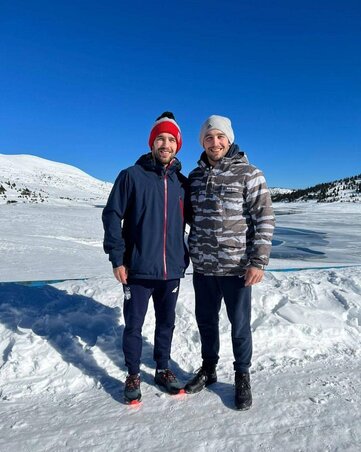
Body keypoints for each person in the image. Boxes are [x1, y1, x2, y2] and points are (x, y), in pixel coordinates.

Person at [184, 115, 275, 410]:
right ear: (203, 142)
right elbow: (186, 217)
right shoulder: (195, 178)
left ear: (229, 139)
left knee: (239, 326)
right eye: (209, 137)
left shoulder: (250, 173)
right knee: (206, 322)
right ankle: (209, 369)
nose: (215, 142)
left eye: (220, 137)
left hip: (237, 268)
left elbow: (264, 218)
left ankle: (242, 375)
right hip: (204, 267)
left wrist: (258, 261)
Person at [102, 112, 189, 404]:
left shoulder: (182, 183)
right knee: (134, 325)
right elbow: (112, 215)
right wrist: (117, 258)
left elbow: (198, 221)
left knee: (166, 323)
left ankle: (163, 368)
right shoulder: (131, 176)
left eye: (171, 140)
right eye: (160, 139)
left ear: (177, 145)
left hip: (171, 270)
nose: (165, 144)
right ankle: (133, 373)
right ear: (152, 143)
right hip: (137, 269)